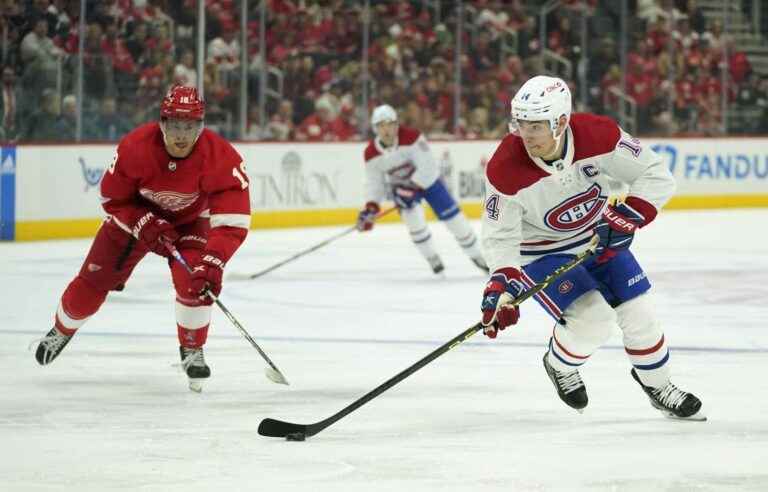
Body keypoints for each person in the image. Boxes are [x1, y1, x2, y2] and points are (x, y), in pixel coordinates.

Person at [479, 75, 704, 420]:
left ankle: (659, 386)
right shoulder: (504, 168)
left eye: (536, 126)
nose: (526, 135)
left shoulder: (600, 135)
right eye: (521, 124)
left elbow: (656, 175)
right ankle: (559, 365)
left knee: (640, 314)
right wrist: (501, 289)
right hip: (541, 252)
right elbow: (500, 237)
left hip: (598, 236)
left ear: (561, 121)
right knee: (593, 320)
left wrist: (627, 218)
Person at [34, 85, 251, 392]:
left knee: (197, 283)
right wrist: (142, 221)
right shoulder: (135, 147)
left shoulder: (220, 157)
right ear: (162, 122)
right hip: (133, 222)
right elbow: (113, 200)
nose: (181, 135)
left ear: (201, 126)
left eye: (190, 126)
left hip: (190, 223)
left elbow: (232, 220)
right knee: (93, 281)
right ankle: (62, 329)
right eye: (175, 125)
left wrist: (213, 261)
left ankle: (191, 348)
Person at [357, 104, 488, 274]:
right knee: (415, 224)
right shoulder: (371, 153)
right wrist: (371, 207)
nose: (387, 129)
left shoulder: (412, 137)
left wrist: (413, 188)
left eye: (390, 124)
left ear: (397, 124)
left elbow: (427, 165)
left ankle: (476, 255)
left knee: (455, 220)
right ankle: (431, 257)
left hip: (430, 184)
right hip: (402, 189)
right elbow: (374, 183)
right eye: (381, 125)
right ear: (375, 129)